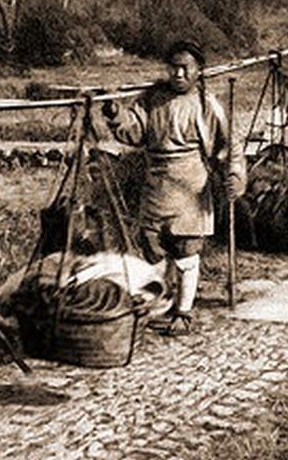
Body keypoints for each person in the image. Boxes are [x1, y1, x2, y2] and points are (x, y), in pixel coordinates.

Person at [103, 40, 246, 334]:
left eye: (185, 68)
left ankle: (184, 312)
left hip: (190, 184)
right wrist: (116, 114)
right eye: (174, 67)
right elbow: (134, 132)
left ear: (198, 71)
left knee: (185, 248)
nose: (178, 74)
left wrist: (234, 175)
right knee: (153, 246)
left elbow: (229, 146)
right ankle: (164, 303)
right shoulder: (150, 99)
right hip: (156, 182)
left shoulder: (207, 104)